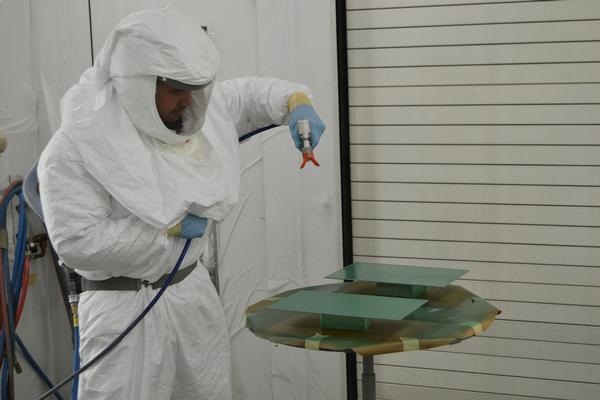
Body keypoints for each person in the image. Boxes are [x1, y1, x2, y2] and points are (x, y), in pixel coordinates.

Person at [37, 8, 325, 400]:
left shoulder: (189, 116)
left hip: (191, 297)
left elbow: (249, 95)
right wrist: (165, 229)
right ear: (138, 84)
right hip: (123, 314)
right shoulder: (75, 147)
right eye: (175, 90)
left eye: (193, 89)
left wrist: (295, 103)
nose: (188, 102)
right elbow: (77, 241)